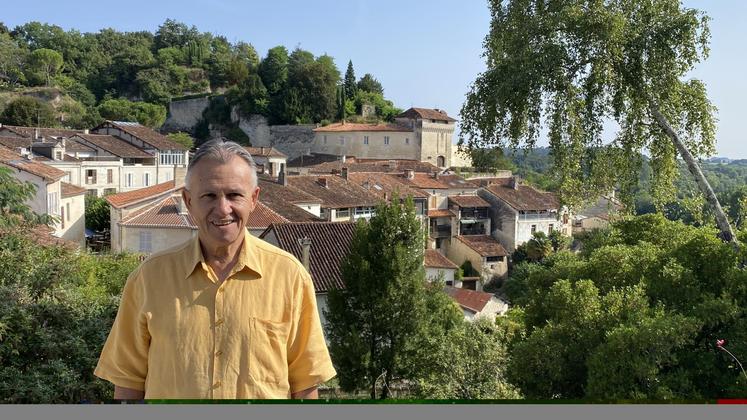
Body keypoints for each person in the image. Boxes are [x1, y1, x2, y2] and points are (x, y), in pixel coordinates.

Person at [94, 139, 336, 399]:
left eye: (234, 195)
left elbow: (306, 384)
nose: (223, 209)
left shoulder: (290, 276)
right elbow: (128, 383)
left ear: (253, 199)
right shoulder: (149, 278)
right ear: (188, 201)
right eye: (209, 195)